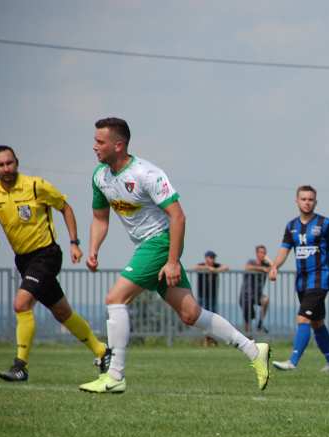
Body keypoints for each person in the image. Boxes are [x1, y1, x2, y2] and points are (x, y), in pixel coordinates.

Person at [78, 117, 270, 393]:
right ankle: (253, 350)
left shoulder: (147, 174)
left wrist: (171, 260)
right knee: (191, 314)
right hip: (148, 248)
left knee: (115, 298)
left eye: (100, 141)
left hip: (159, 243)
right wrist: (93, 249)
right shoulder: (100, 176)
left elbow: (178, 216)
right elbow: (100, 218)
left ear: (118, 145)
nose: (94, 147)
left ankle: (115, 375)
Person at [0, 145, 110, 382]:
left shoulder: (35, 185)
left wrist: (74, 242)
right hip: (24, 260)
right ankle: (102, 351)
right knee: (62, 312)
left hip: (46, 255)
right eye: (0, 165)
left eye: (9, 163)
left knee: (21, 304)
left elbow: (65, 207)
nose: (6, 168)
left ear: (17, 162)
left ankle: (20, 366)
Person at [269, 185, 329, 372]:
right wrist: (275, 266)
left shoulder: (325, 224)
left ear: (315, 201)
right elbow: (284, 250)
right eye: (303, 199)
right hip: (302, 282)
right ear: (297, 201)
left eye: (310, 199)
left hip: (319, 279)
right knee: (317, 322)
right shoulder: (291, 226)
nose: (307, 202)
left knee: (303, 318)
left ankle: (292, 361)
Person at [191, 250, 228, 346]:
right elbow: (195, 267)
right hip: (202, 296)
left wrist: (214, 270)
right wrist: (207, 268)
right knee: (203, 318)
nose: (212, 259)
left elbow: (226, 267)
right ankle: (207, 338)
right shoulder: (201, 265)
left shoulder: (216, 266)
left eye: (213, 258)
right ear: (206, 258)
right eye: (210, 257)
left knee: (213, 318)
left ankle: (210, 338)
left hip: (213, 296)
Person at [241, 245, 272, 334]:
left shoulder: (266, 264)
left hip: (257, 294)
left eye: (264, 253)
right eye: (261, 252)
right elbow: (247, 267)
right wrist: (261, 268)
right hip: (246, 295)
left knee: (265, 300)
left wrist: (268, 259)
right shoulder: (252, 262)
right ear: (257, 253)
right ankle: (248, 339)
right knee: (248, 321)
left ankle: (260, 324)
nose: (263, 254)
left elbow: (274, 267)